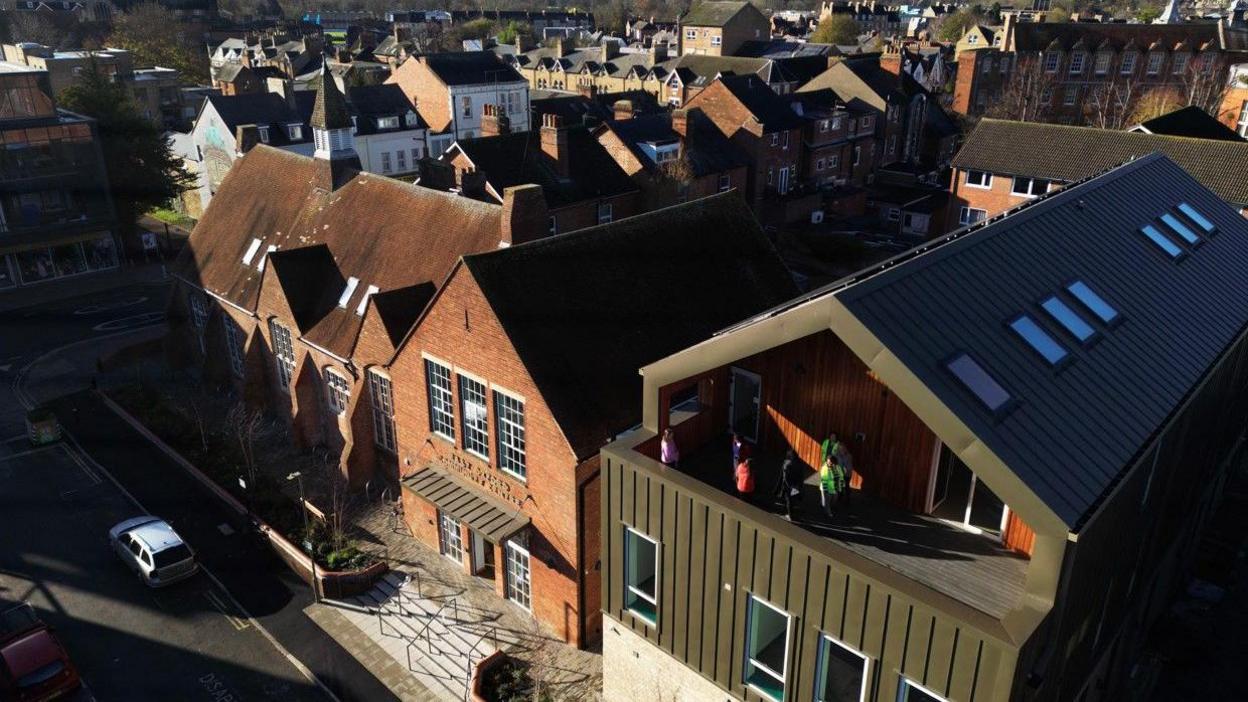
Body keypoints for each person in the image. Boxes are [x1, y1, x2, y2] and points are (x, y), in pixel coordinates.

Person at [772, 449, 799, 519]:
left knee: (788, 499)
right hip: (795, 485)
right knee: (792, 499)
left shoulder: (787, 464)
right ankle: (790, 511)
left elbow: (784, 476)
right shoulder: (798, 463)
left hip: (788, 485)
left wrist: (787, 485)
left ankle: (790, 515)